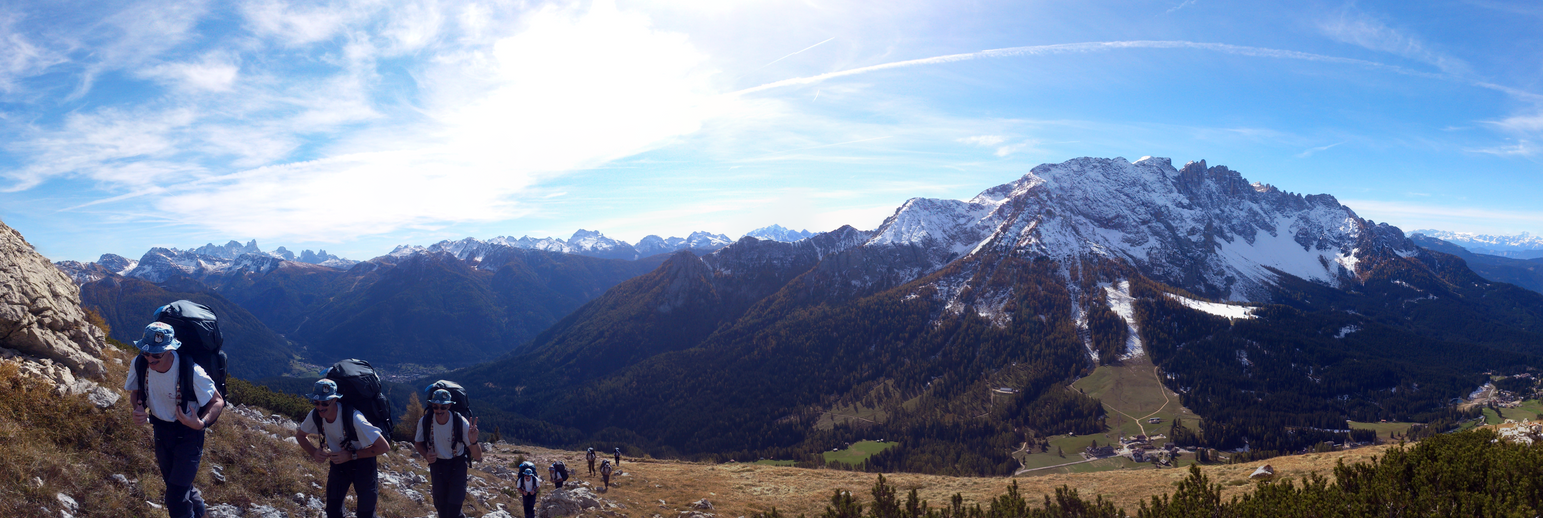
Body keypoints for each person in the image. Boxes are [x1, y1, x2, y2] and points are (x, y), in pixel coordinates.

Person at [126, 322, 225, 518]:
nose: (150, 359)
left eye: (156, 355)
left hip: (189, 437)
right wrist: (138, 408)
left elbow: (217, 400)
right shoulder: (139, 363)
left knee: (174, 497)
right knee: (178, 486)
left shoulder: (191, 371)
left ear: (171, 350)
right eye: (146, 353)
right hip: (161, 433)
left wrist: (201, 424)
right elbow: (136, 391)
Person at [294, 379, 390, 518]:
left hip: (364, 465)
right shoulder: (315, 415)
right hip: (338, 463)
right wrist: (314, 452)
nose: (320, 407)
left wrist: (351, 456)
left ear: (334, 400)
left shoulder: (354, 417)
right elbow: (300, 435)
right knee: (333, 512)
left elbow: (383, 447)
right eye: (316, 402)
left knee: (366, 514)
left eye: (325, 403)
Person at [413, 389, 482, 518]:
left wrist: (473, 442)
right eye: (435, 407)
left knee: (454, 507)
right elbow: (418, 443)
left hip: (457, 466)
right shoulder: (425, 421)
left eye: (443, 407)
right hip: (437, 466)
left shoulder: (460, 422)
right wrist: (426, 455)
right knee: (441, 507)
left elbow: (478, 456)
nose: (439, 410)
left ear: (449, 405)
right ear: (431, 406)